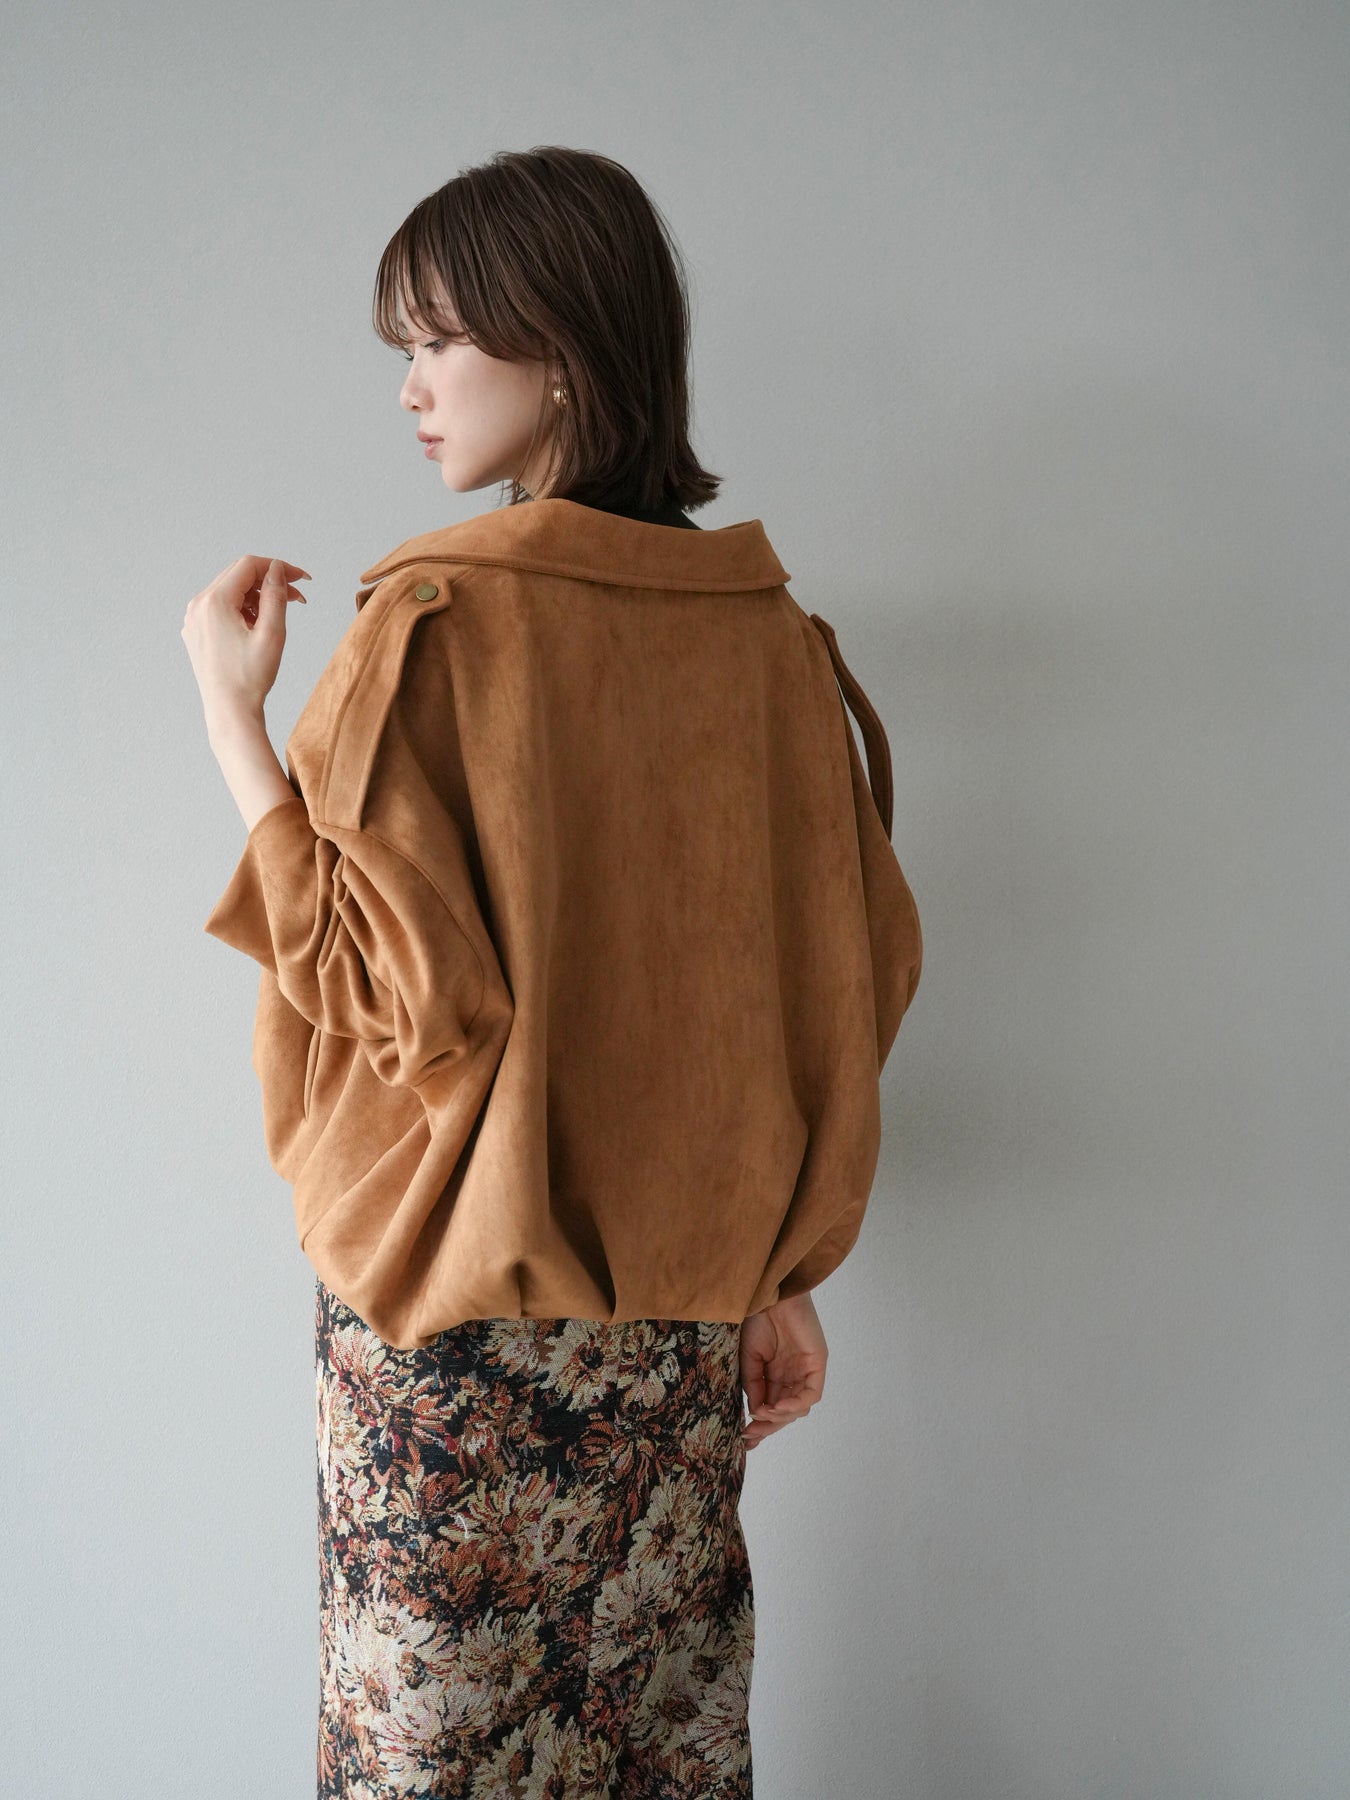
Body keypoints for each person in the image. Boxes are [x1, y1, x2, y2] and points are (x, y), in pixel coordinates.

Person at [181, 146, 921, 1799]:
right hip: (673, 1348)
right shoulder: (775, 645)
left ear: (565, 344)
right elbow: (818, 993)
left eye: (439, 342)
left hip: (457, 1354)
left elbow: (386, 994)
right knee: (654, 1760)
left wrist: (234, 723)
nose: (411, 390)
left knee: (430, 1769)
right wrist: (771, 1267)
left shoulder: (438, 622)